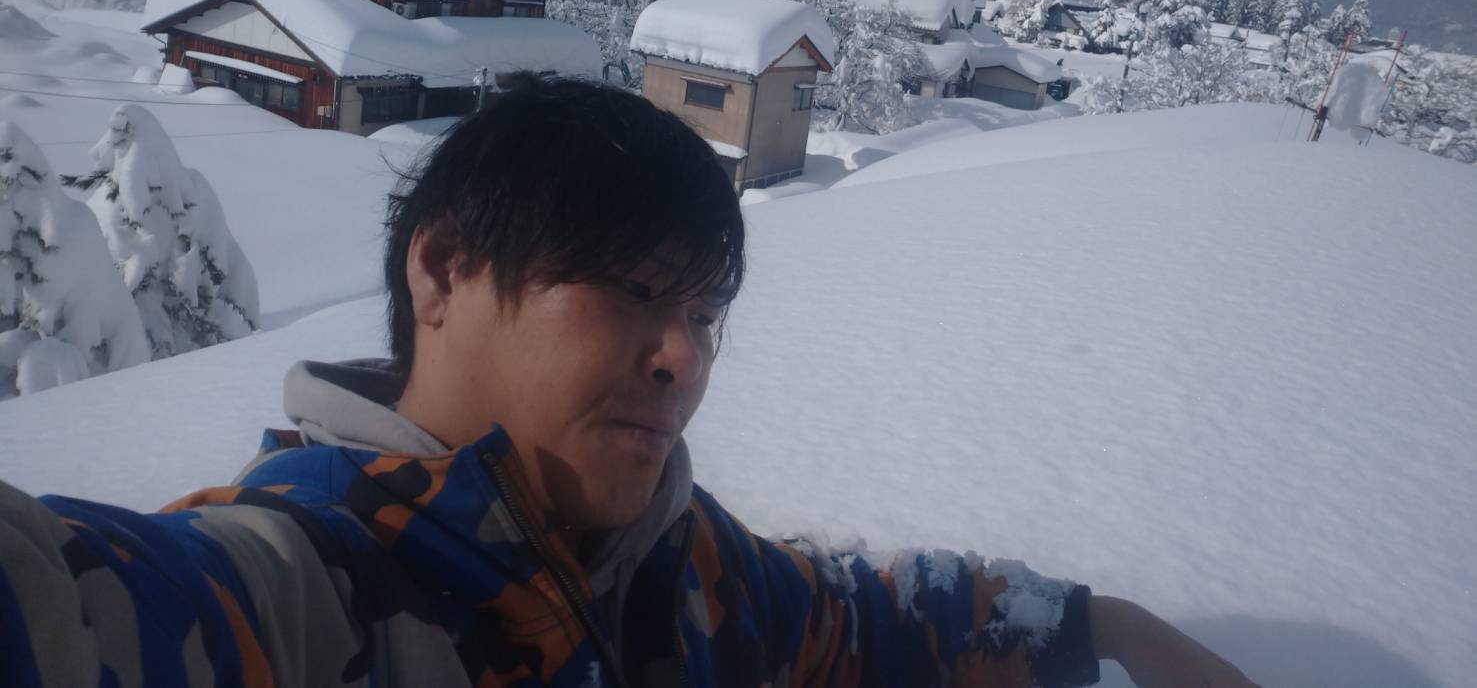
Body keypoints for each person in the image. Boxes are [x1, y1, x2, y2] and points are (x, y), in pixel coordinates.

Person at [0, 75, 1259, 687]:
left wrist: (1106, 625)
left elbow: (855, 616)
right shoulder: (307, 588)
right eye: (630, 291)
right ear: (442, 270)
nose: (685, 356)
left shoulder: (671, 561)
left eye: (704, 312)